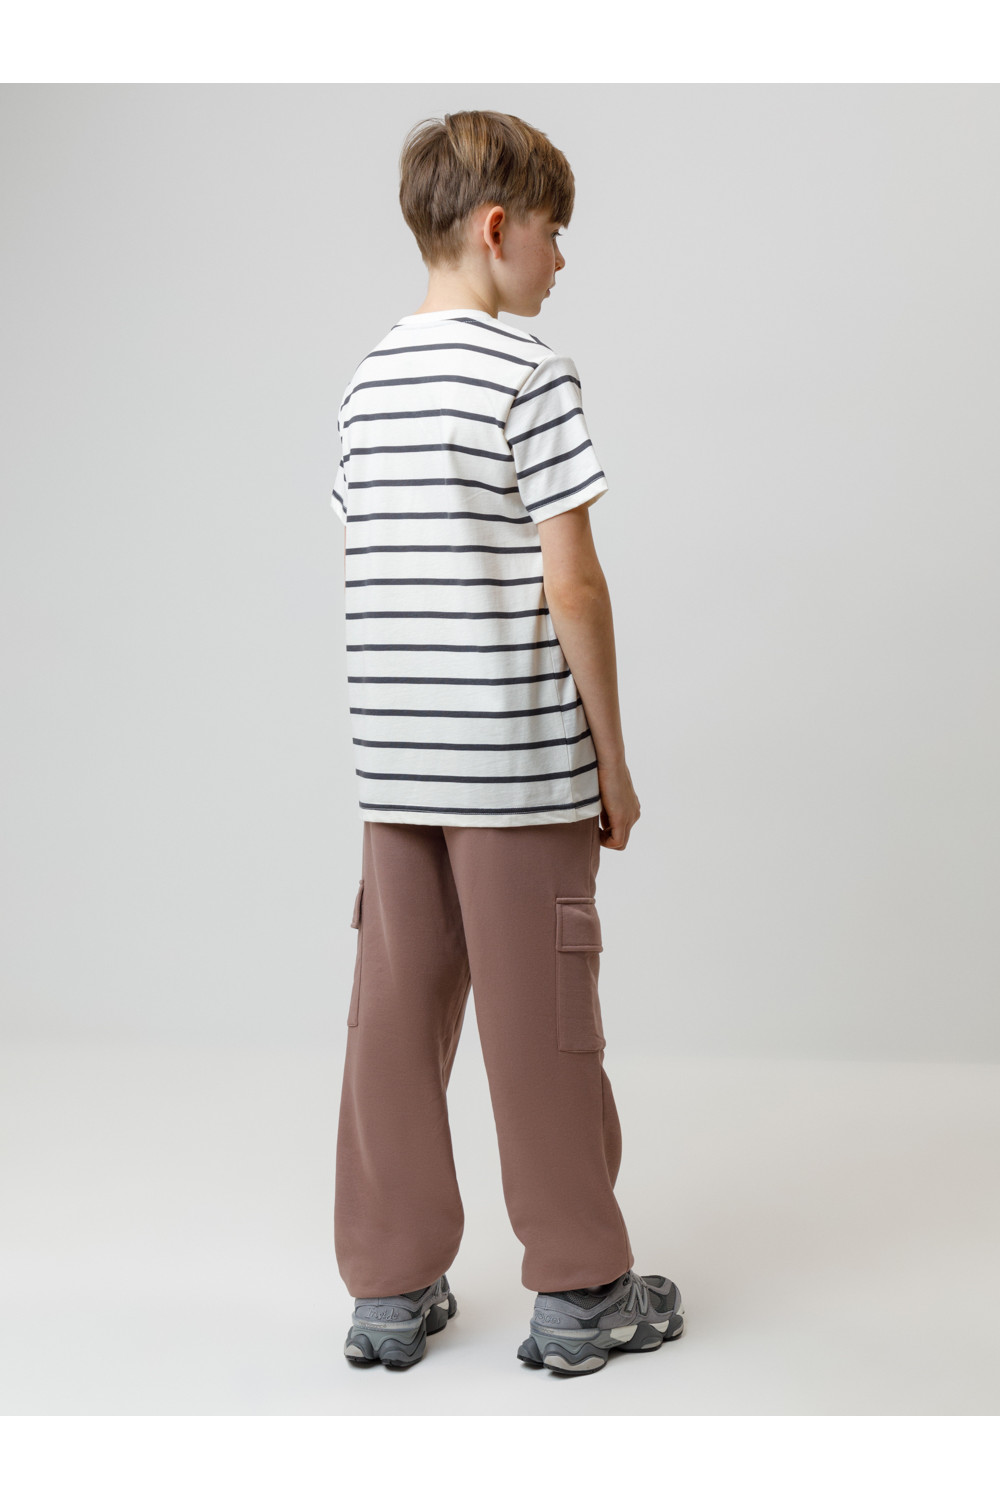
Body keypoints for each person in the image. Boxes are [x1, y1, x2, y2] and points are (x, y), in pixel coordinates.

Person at [330, 109, 684, 1376]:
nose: (560, 259)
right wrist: (612, 762)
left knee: (392, 1023)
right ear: (496, 228)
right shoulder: (527, 374)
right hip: (514, 768)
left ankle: (386, 1286)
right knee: (543, 1028)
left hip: (396, 769)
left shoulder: (366, 383)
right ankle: (582, 1287)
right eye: (552, 231)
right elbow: (570, 584)